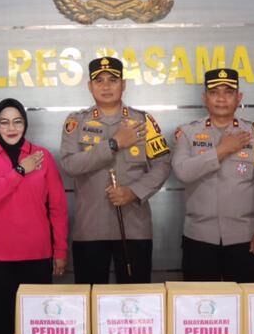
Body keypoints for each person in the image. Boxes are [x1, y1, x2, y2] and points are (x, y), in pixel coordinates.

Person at [60, 57, 171, 284]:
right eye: (99, 81)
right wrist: (113, 144)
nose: (106, 86)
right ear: (90, 86)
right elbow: (70, 165)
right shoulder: (76, 122)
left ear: (124, 84)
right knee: (90, 299)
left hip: (134, 228)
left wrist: (134, 191)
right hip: (90, 228)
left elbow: (163, 164)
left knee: (135, 300)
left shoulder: (143, 121)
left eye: (112, 80)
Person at [0, 99, 69, 334]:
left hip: (37, 255)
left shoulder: (42, 156)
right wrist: (19, 171)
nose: (11, 128)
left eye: (17, 121)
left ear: (25, 124)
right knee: (0, 327)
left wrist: (60, 250)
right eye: (4, 122)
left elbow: (58, 207)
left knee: (36, 326)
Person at [171, 69, 254, 282]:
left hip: (244, 238)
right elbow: (182, 171)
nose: (221, 98)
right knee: (200, 301)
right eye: (214, 92)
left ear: (239, 97)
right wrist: (222, 150)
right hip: (198, 237)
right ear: (205, 97)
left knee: (243, 301)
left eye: (228, 92)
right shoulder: (187, 133)